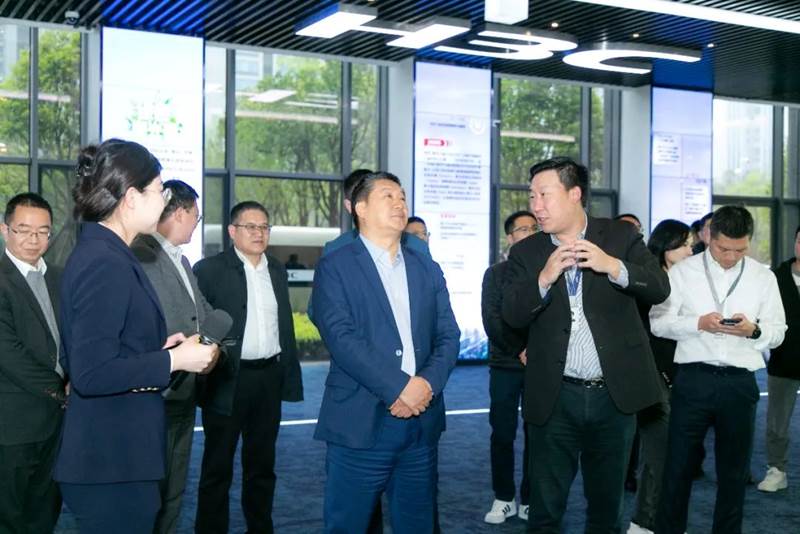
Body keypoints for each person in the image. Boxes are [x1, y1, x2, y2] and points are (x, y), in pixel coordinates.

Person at [54, 139, 218, 534]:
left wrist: (157, 350)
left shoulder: (109, 253)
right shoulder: (105, 262)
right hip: (111, 460)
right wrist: (175, 360)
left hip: (118, 454)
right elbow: (91, 373)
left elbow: (106, 349)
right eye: (159, 190)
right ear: (131, 198)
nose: (164, 200)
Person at [502, 156, 669, 533]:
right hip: (555, 396)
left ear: (574, 194)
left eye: (544, 195)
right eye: (532, 196)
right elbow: (511, 314)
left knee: (606, 510)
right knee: (545, 510)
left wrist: (613, 266)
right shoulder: (527, 252)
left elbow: (659, 287)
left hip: (614, 395)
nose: (536, 206)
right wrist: (543, 279)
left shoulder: (620, 237)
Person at [312, 171, 460, 533]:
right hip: (360, 422)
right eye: (388, 196)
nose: (399, 204)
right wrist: (400, 387)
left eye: (402, 197)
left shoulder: (426, 266)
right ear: (360, 208)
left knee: (418, 524)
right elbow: (342, 339)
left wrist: (425, 385)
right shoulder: (336, 265)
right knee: (348, 525)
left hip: (421, 421)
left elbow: (448, 335)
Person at [651, 206, 786, 534]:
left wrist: (754, 331)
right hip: (693, 380)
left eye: (740, 250)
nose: (731, 257)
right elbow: (659, 323)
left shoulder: (763, 277)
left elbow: (778, 331)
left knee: (734, 474)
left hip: (740, 383)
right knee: (677, 469)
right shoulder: (683, 272)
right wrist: (698, 323)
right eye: (724, 249)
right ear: (708, 237)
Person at [193, 200, 303, 534]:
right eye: (250, 227)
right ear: (232, 231)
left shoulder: (276, 270)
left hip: (267, 379)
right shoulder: (209, 270)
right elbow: (196, 324)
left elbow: (284, 326)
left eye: (264, 227)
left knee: (262, 467)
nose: (259, 233)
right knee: (217, 467)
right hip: (227, 379)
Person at [131, 180, 218, 534]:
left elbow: (202, 313)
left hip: (184, 391)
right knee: (150, 490)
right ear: (181, 212)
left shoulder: (181, 259)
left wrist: (215, 344)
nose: (196, 224)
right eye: (196, 216)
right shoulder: (141, 255)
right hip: (155, 392)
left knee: (174, 487)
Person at [0, 193, 65, 533]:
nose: (33, 239)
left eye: (42, 231)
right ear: (4, 230)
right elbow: (8, 353)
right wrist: (59, 389)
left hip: (58, 422)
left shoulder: (60, 277)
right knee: (11, 515)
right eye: (23, 230)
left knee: (46, 510)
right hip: (14, 423)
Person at [627, 219, 693, 534]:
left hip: (683, 375)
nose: (690, 250)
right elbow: (644, 333)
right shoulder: (649, 282)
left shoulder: (690, 280)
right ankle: (643, 522)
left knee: (670, 456)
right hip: (652, 376)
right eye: (684, 245)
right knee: (658, 456)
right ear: (666, 247)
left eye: (691, 245)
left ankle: (652, 522)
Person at [481, 210, 536, 524]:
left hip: (541, 365)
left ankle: (529, 499)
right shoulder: (495, 274)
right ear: (510, 237)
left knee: (538, 434)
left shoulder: (551, 270)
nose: (529, 233)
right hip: (505, 364)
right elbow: (492, 320)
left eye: (534, 228)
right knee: (502, 433)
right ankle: (504, 498)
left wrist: (536, 350)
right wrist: (519, 349)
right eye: (522, 229)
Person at [757, 224, 800, 492]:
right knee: (777, 422)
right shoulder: (776, 277)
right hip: (785, 359)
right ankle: (777, 469)